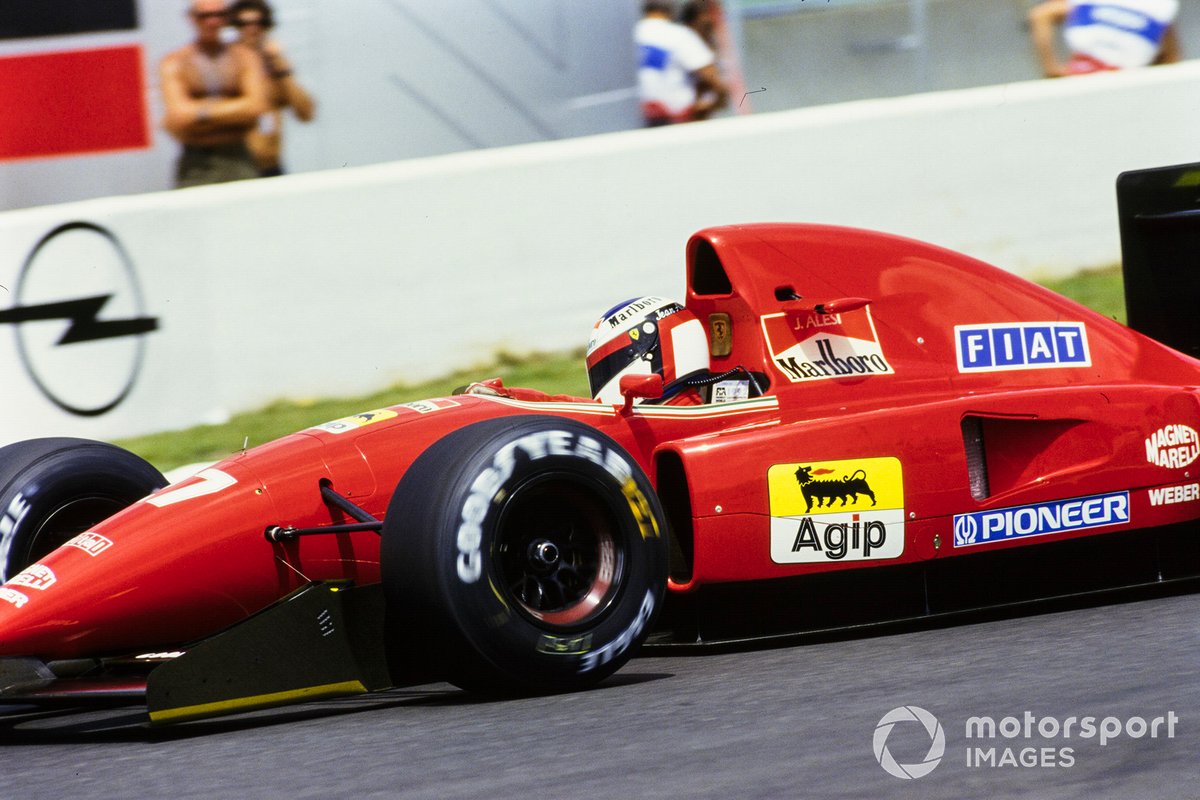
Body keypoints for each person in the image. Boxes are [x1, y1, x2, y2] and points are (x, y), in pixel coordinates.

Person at [160, 0, 269, 188]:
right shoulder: (176, 62)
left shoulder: (244, 58)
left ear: (227, 19)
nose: (212, 22)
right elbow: (179, 116)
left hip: (238, 157)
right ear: (192, 19)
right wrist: (234, 108)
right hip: (196, 161)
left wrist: (200, 112)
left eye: (218, 15)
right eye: (205, 16)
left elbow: (256, 106)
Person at [229, 0, 316, 177]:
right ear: (235, 27)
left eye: (259, 23)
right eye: (243, 24)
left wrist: (282, 68)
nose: (252, 29)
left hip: (272, 166)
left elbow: (306, 113)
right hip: (238, 167)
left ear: (267, 26)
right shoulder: (226, 65)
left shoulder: (275, 67)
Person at [634, 1, 729, 126]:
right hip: (676, 118)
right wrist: (710, 106)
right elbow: (716, 83)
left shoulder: (631, 34)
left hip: (640, 119)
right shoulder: (678, 35)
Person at [1028, 0, 1180, 77]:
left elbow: (1040, 15)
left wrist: (1051, 70)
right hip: (1128, 79)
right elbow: (1171, 56)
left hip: (1086, 75)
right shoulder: (1161, 5)